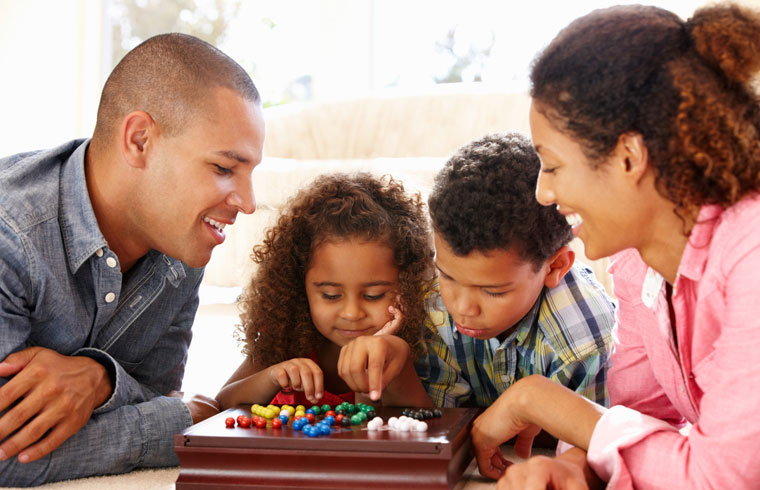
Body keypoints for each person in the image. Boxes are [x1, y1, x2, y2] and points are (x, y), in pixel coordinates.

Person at [470, 3, 760, 489]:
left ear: (629, 156)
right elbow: (637, 413)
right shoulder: (640, 264)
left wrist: (538, 400)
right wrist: (574, 466)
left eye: (554, 166)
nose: (543, 193)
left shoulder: (750, 257)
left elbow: (722, 479)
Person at [0, 33, 265, 486]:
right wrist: (182, 420)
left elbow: (157, 392)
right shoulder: (11, 237)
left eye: (249, 172)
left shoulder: (182, 250)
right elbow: (7, 455)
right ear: (139, 140)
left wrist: (99, 379)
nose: (249, 202)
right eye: (224, 168)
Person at [415, 133, 615, 417]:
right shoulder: (430, 304)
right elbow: (439, 425)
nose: (462, 308)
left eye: (493, 291)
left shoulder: (582, 338)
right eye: (447, 277)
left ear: (554, 267)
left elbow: (588, 442)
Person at [216, 172, 435, 410]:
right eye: (331, 295)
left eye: (374, 296)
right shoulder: (285, 338)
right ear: (300, 287)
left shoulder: (423, 343)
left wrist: (385, 364)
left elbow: (426, 426)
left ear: (409, 284)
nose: (352, 313)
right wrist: (272, 377)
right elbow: (221, 404)